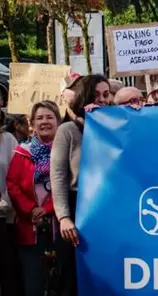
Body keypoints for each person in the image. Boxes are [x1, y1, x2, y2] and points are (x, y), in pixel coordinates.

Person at [51, 74, 111, 296]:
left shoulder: (115, 128)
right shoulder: (68, 131)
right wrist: (64, 217)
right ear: (85, 96)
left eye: (106, 94)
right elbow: (58, 176)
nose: (103, 99)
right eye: (96, 95)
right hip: (78, 208)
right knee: (72, 274)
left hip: (107, 207)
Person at [7, 101, 61, 296]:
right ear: (31, 124)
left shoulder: (66, 151)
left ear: (58, 121)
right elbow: (12, 184)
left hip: (61, 225)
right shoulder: (22, 152)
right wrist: (30, 210)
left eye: (49, 117)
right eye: (39, 118)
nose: (44, 122)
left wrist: (47, 209)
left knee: (61, 280)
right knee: (33, 281)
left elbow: (68, 185)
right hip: (29, 226)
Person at [0, 109, 21, 296]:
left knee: (8, 270)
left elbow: (15, 177)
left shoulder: (8, 140)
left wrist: (3, 203)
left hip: (5, 217)